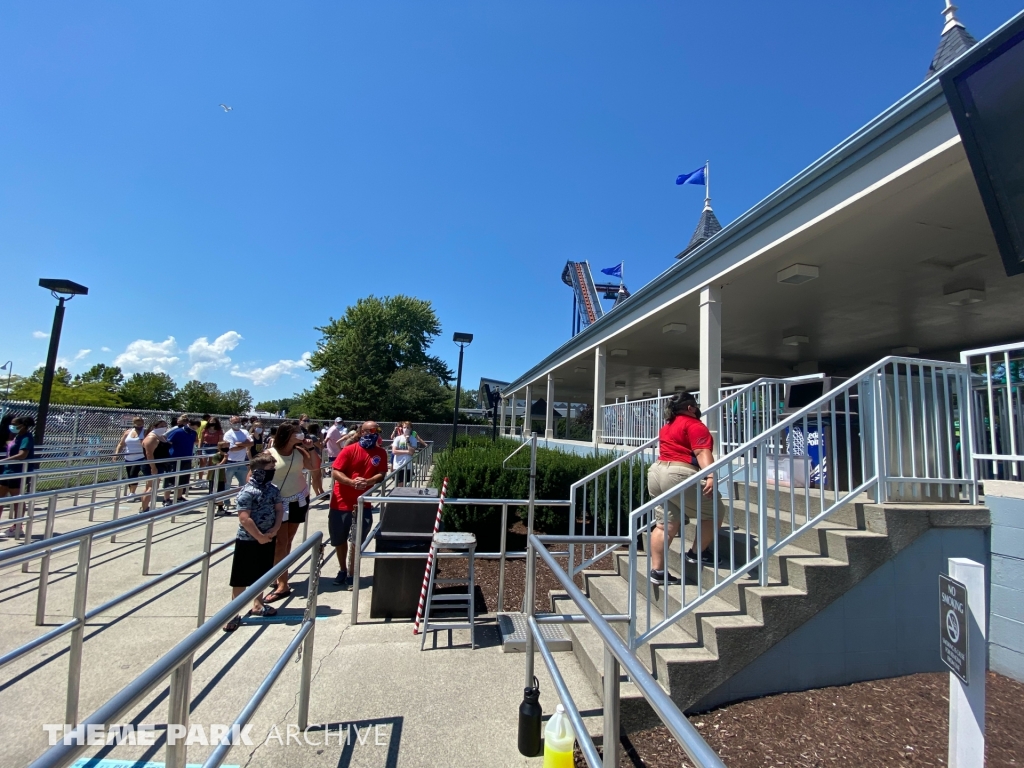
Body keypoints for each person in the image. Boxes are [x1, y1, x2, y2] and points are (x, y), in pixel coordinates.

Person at [646, 393, 719, 585]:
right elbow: (702, 451)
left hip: (656, 472)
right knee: (714, 511)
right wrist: (710, 475)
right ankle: (698, 553)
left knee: (664, 525)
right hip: (678, 473)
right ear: (690, 408)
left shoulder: (667, 426)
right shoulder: (694, 425)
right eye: (695, 406)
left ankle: (658, 571)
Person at [222, 452, 284, 632]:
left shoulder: (272, 489)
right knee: (241, 578)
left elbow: (279, 509)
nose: (272, 471)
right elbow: (244, 518)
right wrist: (259, 536)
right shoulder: (247, 492)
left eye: (273, 468)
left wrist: (275, 529)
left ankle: (258, 604)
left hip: (269, 537)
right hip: (248, 540)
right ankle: (233, 613)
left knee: (263, 575)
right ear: (257, 471)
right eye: (269, 469)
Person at [264, 422, 319, 603]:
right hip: (277, 503)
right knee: (280, 542)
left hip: (298, 499)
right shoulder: (269, 454)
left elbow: (313, 466)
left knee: (287, 540)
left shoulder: (300, 451)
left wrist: (311, 448)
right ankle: (283, 584)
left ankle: (279, 573)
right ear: (287, 434)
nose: (301, 435)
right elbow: (253, 475)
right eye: (297, 432)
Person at [328, 421, 388, 587]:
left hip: (363, 504)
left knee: (357, 539)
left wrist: (367, 481)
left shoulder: (381, 453)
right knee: (339, 539)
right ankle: (342, 569)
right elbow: (335, 471)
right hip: (341, 503)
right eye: (372, 430)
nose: (375, 433)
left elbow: (381, 473)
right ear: (362, 432)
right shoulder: (349, 450)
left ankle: (352, 572)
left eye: (378, 430)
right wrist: (350, 482)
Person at [1, 416, 36, 538]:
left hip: (18, 472)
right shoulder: (17, 436)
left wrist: (5, 460)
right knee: (1, 498)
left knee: (17, 500)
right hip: (7, 471)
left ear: (23, 425)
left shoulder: (27, 438)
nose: (12, 426)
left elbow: (22, 455)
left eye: (14, 424)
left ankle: (17, 527)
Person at [140, 418, 173, 512]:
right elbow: (149, 454)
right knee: (151, 487)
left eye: (165, 426)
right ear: (154, 427)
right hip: (153, 465)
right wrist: (153, 468)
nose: (164, 428)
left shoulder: (160, 436)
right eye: (161, 426)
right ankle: (144, 508)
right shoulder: (152, 437)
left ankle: (144, 507)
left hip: (160, 464)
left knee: (150, 486)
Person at [164, 415, 197, 502]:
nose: (194, 429)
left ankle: (179, 497)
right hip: (174, 459)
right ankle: (166, 499)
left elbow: (194, 442)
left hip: (187, 458)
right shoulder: (177, 432)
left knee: (183, 479)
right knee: (170, 479)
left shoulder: (193, 433)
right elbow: (167, 441)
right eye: (193, 427)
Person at [114, 416, 148, 495]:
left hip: (140, 456)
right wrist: (117, 453)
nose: (139, 426)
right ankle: (131, 491)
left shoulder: (145, 432)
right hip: (128, 457)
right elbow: (121, 444)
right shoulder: (127, 432)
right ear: (133, 424)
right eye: (137, 424)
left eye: (141, 424)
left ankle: (132, 493)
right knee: (130, 476)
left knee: (133, 474)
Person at [223, 417, 253, 491]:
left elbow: (251, 443)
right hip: (230, 462)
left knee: (244, 484)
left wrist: (240, 444)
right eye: (235, 422)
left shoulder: (245, 432)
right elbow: (232, 449)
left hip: (242, 462)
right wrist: (245, 444)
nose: (237, 424)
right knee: (227, 484)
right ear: (231, 423)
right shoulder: (228, 434)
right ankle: (226, 501)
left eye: (238, 422)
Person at [208, 440, 231, 515]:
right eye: (225, 446)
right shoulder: (216, 456)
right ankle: (212, 510)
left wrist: (224, 477)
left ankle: (220, 509)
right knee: (214, 493)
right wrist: (225, 458)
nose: (227, 448)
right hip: (214, 477)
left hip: (221, 477)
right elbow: (218, 466)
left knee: (221, 493)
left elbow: (223, 468)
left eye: (228, 446)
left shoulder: (224, 455)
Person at [391, 421, 416, 487]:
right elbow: (394, 451)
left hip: (408, 466)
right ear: (402, 428)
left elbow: (412, 452)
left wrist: (407, 441)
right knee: (399, 485)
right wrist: (407, 452)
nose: (406, 429)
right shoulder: (398, 438)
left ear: (411, 429)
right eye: (404, 427)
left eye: (408, 427)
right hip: (398, 466)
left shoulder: (413, 439)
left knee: (405, 485)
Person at [305, 424, 325, 497]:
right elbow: (321, 446)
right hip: (314, 457)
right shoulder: (313, 437)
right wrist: (322, 439)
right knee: (315, 477)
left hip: (315, 457)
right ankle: (317, 493)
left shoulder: (311, 436)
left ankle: (321, 491)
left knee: (318, 476)